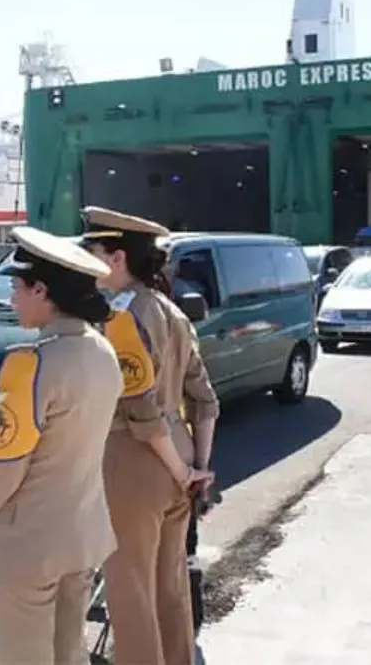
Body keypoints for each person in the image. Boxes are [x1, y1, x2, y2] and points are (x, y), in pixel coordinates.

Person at [0, 225, 124, 665]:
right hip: (81, 535)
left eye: (17, 287)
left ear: (42, 290)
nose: (12, 298)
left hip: (28, 545)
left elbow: (0, 469)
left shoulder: (30, 366)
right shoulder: (102, 352)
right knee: (69, 653)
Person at [79, 206, 220, 665]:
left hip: (135, 461)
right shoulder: (171, 311)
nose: (88, 263)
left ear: (116, 258)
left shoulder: (121, 318)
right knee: (170, 589)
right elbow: (205, 400)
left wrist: (181, 470)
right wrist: (197, 467)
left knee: (131, 596)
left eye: (93, 252)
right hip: (177, 457)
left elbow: (141, 410)